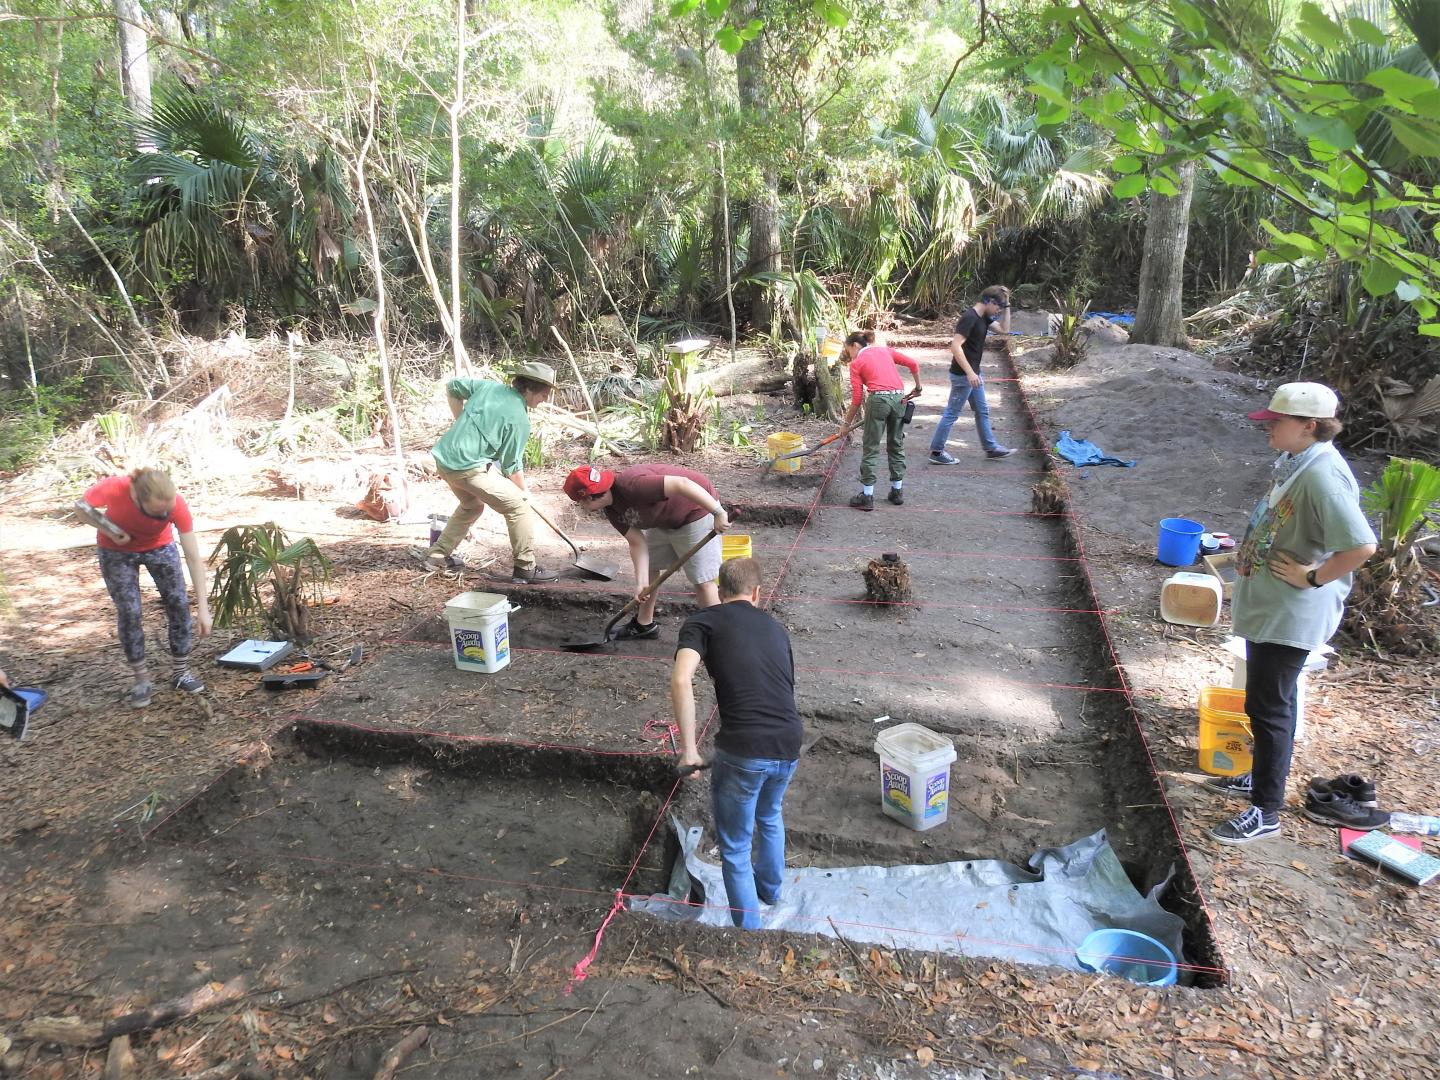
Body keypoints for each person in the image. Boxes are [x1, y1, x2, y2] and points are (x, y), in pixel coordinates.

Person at [1206, 382, 1377, 845]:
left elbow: (1361, 544)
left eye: (1276, 422)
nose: (1269, 429)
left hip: (1292, 612)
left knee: (1270, 706)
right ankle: (1261, 777)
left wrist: (1313, 577)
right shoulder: (1298, 462)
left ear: (1309, 426)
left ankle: (1266, 810)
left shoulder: (1322, 476)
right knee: (1267, 700)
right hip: (1273, 608)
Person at [671, 556, 803, 929]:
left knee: (735, 845)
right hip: (789, 742)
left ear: (719, 590)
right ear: (757, 593)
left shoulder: (703, 621)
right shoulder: (777, 629)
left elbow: (681, 680)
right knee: (770, 814)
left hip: (743, 750)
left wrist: (690, 749)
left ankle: (750, 934)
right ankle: (771, 892)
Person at [75, 468, 213, 708]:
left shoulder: (177, 505)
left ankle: (181, 672)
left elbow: (192, 556)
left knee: (178, 603)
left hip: (159, 547)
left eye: (167, 511)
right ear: (138, 498)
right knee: (129, 611)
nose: (164, 515)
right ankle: (141, 679)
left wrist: (204, 608)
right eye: (158, 513)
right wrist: (109, 529)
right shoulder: (115, 488)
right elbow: (80, 507)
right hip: (115, 551)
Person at [415, 361, 562, 584]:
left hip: (445, 460)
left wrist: (460, 418)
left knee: (471, 505)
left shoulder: (489, 388)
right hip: (466, 468)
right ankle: (525, 567)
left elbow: (453, 386)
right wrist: (524, 493)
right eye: (544, 393)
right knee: (519, 507)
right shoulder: (519, 420)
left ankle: (437, 555)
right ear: (529, 388)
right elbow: (512, 466)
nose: (545, 399)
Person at [564, 463, 728, 639]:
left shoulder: (631, 486)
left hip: (697, 511)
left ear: (586, 498)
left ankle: (720, 636)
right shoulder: (612, 510)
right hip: (664, 520)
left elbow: (682, 484)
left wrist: (718, 512)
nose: (581, 507)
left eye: (579, 503)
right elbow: (637, 543)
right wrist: (641, 584)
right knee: (650, 569)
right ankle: (644, 625)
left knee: (702, 580)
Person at [929, 285, 1015, 463]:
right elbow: (955, 346)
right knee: (952, 413)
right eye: (998, 306)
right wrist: (969, 373)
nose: (999, 310)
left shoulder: (984, 317)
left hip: (974, 374)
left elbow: (1004, 330)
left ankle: (990, 448)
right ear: (989, 301)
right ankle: (936, 452)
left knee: (982, 410)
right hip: (963, 375)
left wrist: (1008, 305)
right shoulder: (969, 318)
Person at [838, 330, 923, 511]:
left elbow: (856, 399)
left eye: (848, 350)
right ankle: (897, 491)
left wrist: (846, 425)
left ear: (854, 346)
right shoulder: (885, 351)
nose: (849, 355)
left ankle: (867, 496)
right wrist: (918, 387)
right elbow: (913, 364)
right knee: (896, 444)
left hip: (878, 400)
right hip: (900, 398)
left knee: (871, 446)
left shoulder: (857, 363)